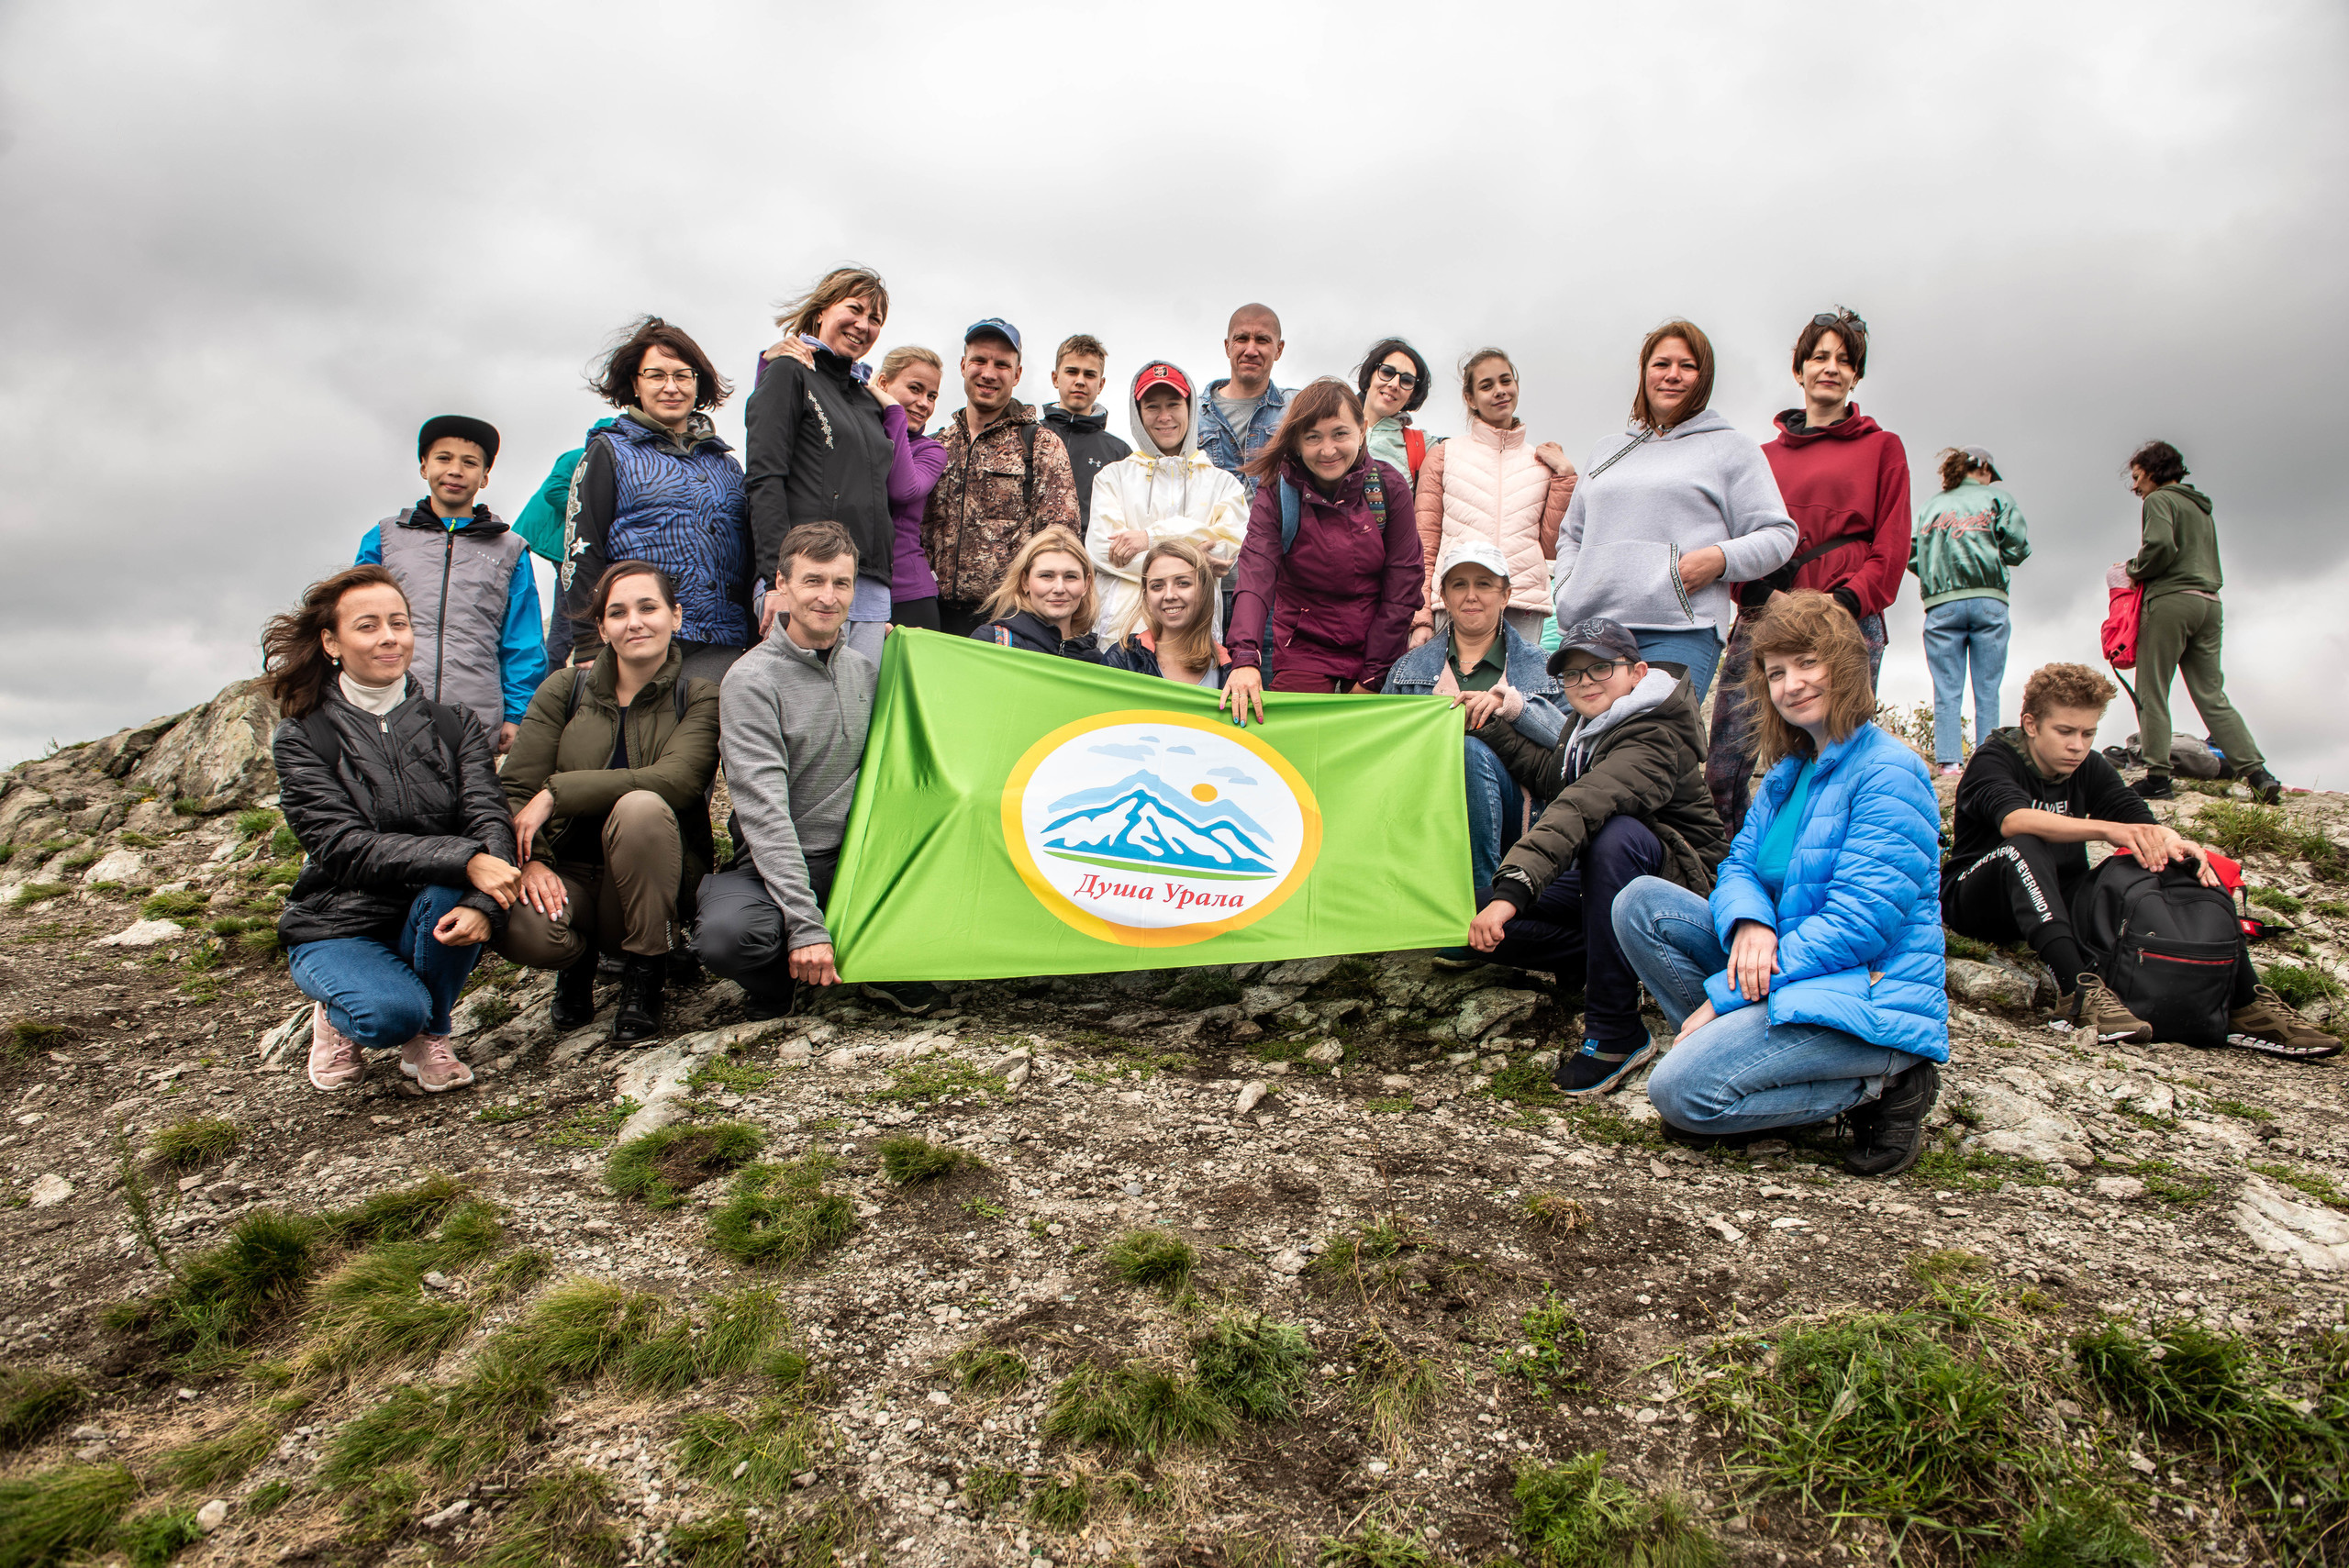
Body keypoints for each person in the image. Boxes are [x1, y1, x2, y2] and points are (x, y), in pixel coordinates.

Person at [1611, 590, 1947, 1177]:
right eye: (1776, 673)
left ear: (1844, 667)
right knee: (1640, 904)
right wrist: (1750, 922)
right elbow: (1738, 868)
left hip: (1863, 992)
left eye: (1808, 664)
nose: (1792, 684)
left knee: (1679, 1096)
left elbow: (1860, 926)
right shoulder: (1791, 774)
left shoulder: (1890, 771)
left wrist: (1723, 1000)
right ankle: (1743, 1059)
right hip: (1793, 975)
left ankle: (1886, 1081)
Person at [1941, 663, 2332, 1054]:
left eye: (2088, 733)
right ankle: (2076, 994)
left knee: (2177, 858)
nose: (2077, 745)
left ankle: (2247, 1004)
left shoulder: (2088, 765)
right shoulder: (1995, 759)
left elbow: (2136, 818)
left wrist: (2176, 843)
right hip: (1978, 898)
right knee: (2025, 843)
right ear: (2030, 724)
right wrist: (2109, 830)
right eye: (2065, 732)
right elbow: (2014, 820)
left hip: (2058, 899)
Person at [262, 565, 520, 1095]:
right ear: (331, 642)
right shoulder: (303, 737)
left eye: (399, 623)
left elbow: (488, 817)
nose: (389, 638)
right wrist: (467, 859)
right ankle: (341, 1014)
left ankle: (431, 1033)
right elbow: (342, 847)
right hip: (339, 925)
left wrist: (484, 903)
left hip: (427, 915)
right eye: (368, 626)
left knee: (456, 890)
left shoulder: (454, 723)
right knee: (388, 1017)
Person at [1462, 617, 1729, 1095]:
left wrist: (1513, 890)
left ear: (1637, 672)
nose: (1584, 682)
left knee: (1615, 836)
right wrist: (1486, 726)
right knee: (1458, 919)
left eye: (1601, 668)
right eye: (1572, 674)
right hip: (1603, 885)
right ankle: (1605, 956)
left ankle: (1615, 1031)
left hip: (1679, 889)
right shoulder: (1587, 727)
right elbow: (1552, 775)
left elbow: (1582, 803)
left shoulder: (1655, 731)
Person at [495, 562, 721, 1046]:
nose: (634, 622)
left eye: (648, 607)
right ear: (602, 628)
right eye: (617, 613)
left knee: (642, 805)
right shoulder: (564, 690)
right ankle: (575, 967)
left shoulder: (699, 696)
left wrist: (556, 793)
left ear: (675, 617)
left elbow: (677, 781)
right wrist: (533, 864)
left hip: (646, 885)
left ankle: (646, 974)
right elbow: (516, 788)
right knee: (517, 925)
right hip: (567, 877)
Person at [1706, 309, 1910, 834]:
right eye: (1819, 357)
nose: (1831, 368)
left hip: (1850, 620)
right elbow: (1739, 542)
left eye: (1844, 360)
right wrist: (1765, 598)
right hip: (1764, 616)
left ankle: (1819, 861)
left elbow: (1890, 546)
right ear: (1798, 370)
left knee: (1833, 754)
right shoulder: (1762, 456)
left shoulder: (1883, 448)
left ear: (1856, 376)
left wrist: (1840, 605)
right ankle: (1723, 863)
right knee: (1728, 755)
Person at [694, 523, 886, 1018]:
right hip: (779, 860)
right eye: (813, 580)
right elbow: (765, 812)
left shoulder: (866, 671)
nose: (828, 597)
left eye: (841, 583)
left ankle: (876, 972)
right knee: (726, 938)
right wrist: (803, 923)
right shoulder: (751, 680)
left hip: (856, 861)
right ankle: (778, 981)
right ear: (782, 585)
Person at [1551, 320, 1797, 705]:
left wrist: (1718, 559)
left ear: (1704, 377)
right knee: (1569, 750)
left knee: (1649, 745)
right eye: (1661, 364)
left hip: (1679, 631)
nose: (1673, 376)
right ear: (1645, 372)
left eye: (1688, 366)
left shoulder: (1732, 448)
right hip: (1592, 630)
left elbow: (1778, 534)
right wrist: (1568, 585)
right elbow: (1572, 534)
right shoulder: (1607, 450)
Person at [557, 318, 754, 686]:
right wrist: (587, 640)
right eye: (656, 375)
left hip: (722, 643)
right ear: (635, 383)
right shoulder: (608, 451)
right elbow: (580, 546)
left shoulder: (726, 464)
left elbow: (747, 551)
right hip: (641, 641)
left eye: (683, 375)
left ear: (698, 383)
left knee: (708, 742)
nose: (671, 387)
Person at [1222, 379, 1425, 718]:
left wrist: (1373, 676)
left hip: (1375, 647)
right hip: (1302, 649)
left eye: (1340, 434)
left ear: (1362, 430)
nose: (1328, 449)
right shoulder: (1278, 492)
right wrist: (1245, 658)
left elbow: (1403, 587)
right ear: (1297, 442)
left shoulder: (1389, 488)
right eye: (1313, 437)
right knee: (1295, 749)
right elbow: (1256, 573)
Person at [358, 415, 546, 755]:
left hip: (474, 720)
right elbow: (355, 622)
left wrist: (517, 714)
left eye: (470, 462)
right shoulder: (384, 538)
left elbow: (522, 639)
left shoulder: (510, 549)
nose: (456, 470)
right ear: (423, 466)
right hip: (387, 708)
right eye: (443, 458)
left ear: (485, 476)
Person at [1384, 540, 1566, 889]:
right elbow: (1384, 751)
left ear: (1506, 595)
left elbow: (1572, 747)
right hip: (1425, 813)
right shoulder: (1406, 670)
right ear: (1444, 596)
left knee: (1471, 752)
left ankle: (1481, 895)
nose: (1471, 595)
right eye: (1459, 584)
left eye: (1484, 584)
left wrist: (1512, 707)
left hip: (1521, 821)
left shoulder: (1545, 670)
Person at [2121, 440, 2283, 804]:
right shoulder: (2201, 507)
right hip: (2209, 603)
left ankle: (2158, 777)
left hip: (2171, 602)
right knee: (2211, 694)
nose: (2135, 487)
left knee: (2152, 691)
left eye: (2136, 477)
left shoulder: (2159, 500)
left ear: (2150, 471)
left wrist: (2134, 569)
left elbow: (2160, 546)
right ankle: (2258, 774)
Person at [746, 267, 895, 662]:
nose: (864, 325)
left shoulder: (867, 400)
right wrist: (777, 583)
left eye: (876, 319)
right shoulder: (788, 373)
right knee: (800, 711)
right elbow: (765, 478)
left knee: (858, 715)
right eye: (855, 309)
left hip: (868, 586)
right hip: (805, 578)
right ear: (822, 310)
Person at [772, 339, 952, 632]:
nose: (924, 403)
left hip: (907, 593)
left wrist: (894, 412)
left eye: (932, 396)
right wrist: (770, 363)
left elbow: (902, 489)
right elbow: (783, 427)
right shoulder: (853, 432)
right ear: (882, 381)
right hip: (843, 582)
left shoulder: (931, 450)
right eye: (915, 389)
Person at [920, 319, 1081, 638]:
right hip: (934, 616)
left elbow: (1059, 540)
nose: (989, 373)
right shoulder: (935, 445)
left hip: (1009, 621)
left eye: (1002, 365)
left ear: (1017, 374)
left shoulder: (1040, 445)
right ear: (963, 365)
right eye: (979, 360)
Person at [1410, 348, 1576, 650]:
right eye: (1486, 386)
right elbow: (1424, 544)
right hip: (1455, 602)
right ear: (1470, 399)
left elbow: (1552, 547)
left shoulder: (1542, 462)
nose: (1500, 391)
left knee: (1515, 697)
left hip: (1522, 603)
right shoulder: (1443, 456)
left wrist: (1564, 476)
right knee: (1453, 696)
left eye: (1506, 381)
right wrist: (1421, 616)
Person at [1084, 361, 1248, 637]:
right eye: (1152, 407)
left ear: (1190, 408)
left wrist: (1149, 538)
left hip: (1195, 637)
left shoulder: (1223, 485)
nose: (1164, 417)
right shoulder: (1112, 478)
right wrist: (1192, 560)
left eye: (1173, 404)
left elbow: (1226, 548)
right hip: (1120, 634)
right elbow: (1102, 550)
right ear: (1137, 414)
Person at [1910, 445, 2031, 773]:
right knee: (1987, 687)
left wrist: (1939, 574)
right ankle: (1986, 760)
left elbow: (1912, 555)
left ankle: (1949, 763)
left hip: (1942, 605)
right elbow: (2018, 547)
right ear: (1983, 470)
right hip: (1988, 600)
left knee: (1947, 689)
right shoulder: (1998, 499)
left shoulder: (1930, 506)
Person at [1099, 539, 1230, 686]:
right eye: (1157, 586)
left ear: (1204, 590)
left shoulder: (1231, 669)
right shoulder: (1122, 659)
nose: (1169, 595)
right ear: (1147, 597)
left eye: (1182, 583)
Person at [1197, 304, 1293, 501]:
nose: (1251, 350)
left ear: (1279, 349)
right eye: (1241, 339)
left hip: (1279, 531)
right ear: (1227, 347)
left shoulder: (1297, 407)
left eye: (1262, 340)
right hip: (1212, 531)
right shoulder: (1193, 414)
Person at [1041, 334, 1131, 532]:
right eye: (1072, 372)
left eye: (1089, 374)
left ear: (1101, 384)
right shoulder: (1030, 435)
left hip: (1091, 558)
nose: (1080, 381)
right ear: (1055, 378)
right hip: (1036, 555)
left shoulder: (1119, 453)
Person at [973, 527, 1105, 661]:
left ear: (1086, 585)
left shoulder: (1096, 661)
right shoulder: (991, 642)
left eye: (1070, 576)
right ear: (1025, 582)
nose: (1059, 588)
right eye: (1046, 576)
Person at [1355, 338, 1434, 484]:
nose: (1394, 384)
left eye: (1406, 381)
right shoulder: (1329, 424)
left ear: (1412, 396)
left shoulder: (1424, 445)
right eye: (1387, 372)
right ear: (1369, 376)